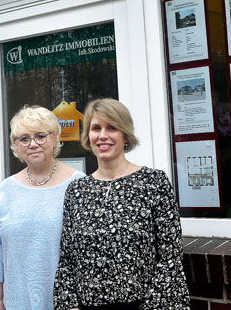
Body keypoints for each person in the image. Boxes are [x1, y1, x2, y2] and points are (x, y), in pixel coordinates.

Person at [53, 98, 190, 310]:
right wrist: (69, 305)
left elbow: (170, 258)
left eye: (112, 127)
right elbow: (67, 260)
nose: (103, 135)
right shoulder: (76, 191)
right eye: (96, 128)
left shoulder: (153, 182)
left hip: (144, 305)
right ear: (88, 137)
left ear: (125, 134)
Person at [0, 106, 85, 310]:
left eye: (40, 136)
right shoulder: (7, 189)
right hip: (17, 303)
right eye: (24, 138)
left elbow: (88, 251)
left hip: (67, 304)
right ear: (16, 145)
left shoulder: (78, 185)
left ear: (55, 137)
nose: (33, 144)